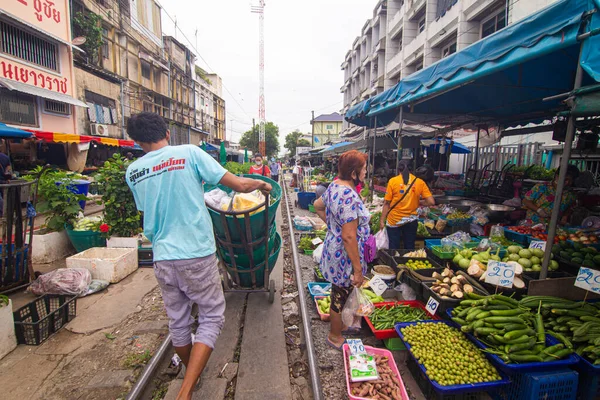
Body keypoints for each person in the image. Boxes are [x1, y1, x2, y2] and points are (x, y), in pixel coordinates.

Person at [124, 112, 272, 400]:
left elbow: (149, 209)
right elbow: (239, 185)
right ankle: (186, 390)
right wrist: (264, 185)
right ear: (167, 132)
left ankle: (191, 371)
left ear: (138, 141)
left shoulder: (134, 171)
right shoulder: (189, 153)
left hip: (163, 256)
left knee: (178, 322)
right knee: (212, 316)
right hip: (195, 252)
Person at [313, 150, 370, 351]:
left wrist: (332, 227)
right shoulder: (348, 196)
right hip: (344, 256)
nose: (366, 172)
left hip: (334, 250)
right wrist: (357, 269)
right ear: (354, 172)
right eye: (363, 169)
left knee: (340, 292)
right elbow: (348, 236)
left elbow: (317, 205)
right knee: (340, 295)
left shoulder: (335, 186)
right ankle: (334, 336)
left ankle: (343, 326)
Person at [380, 160, 435, 250]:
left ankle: (394, 263)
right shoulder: (419, 182)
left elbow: (387, 203)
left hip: (394, 220)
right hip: (411, 220)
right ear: (412, 170)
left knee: (393, 248)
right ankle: (407, 262)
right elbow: (431, 202)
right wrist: (419, 202)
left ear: (399, 170)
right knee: (409, 247)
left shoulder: (393, 181)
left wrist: (382, 220)